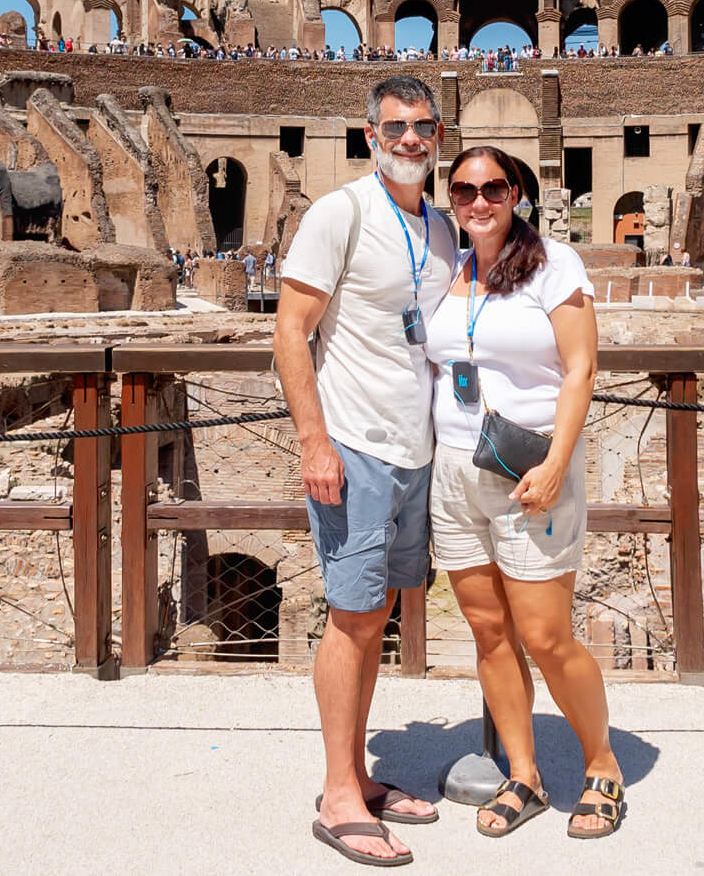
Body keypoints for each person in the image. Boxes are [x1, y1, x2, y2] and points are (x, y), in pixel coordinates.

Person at [276, 76, 458, 865]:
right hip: (353, 443)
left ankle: (357, 773)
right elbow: (289, 330)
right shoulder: (340, 212)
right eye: (396, 126)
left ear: (439, 131)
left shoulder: (445, 226)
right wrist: (314, 442)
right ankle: (340, 796)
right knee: (352, 614)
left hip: (416, 447)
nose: (410, 138)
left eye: (422, 125)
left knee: (376, 611)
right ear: (369, 132)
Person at [424, 145, 624, 840]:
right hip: (453, 469)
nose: (478, 201)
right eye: (463, 190)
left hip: (528, 469)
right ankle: (525, 773)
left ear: (518, 194)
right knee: (487, 630)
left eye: (493, 188)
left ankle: (602, 765)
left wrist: (559, 460)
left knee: (545, 633)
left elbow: (582, 366)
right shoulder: (446, 266)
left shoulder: (553, 263)